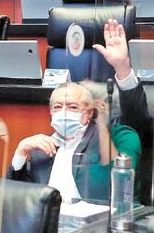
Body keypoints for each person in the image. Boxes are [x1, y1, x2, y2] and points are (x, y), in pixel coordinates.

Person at [9, 81, 141, 203]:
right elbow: (17, 198)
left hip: (93, 223)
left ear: (88, 113)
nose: (64, 112)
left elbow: (121, 184)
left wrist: (103, 128)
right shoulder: (43, 147)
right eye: (57, 107)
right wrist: (21, 152)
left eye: (72, 107)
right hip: (50, 221)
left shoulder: (112, 137)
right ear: (50, 112)